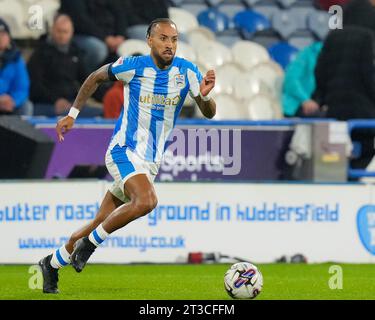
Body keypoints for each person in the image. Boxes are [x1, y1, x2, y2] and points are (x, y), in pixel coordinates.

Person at [38, 18, 216, 294]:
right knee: (147, 200)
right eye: (163, 38)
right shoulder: (133, 66)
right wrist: (72, 114)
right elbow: (94, 77)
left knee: (100, 220)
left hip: (150, 161)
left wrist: (204, 97)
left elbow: (209, 112)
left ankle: (51, 263)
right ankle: (90, 245)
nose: (170, 45)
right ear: (149, 40)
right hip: (124, 149)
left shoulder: (187, 71)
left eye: (174, 39)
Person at [28, 14, 102, 117]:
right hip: (46, 104)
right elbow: (35, 85)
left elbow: (87, 79)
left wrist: (105, 96)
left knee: (101, 113)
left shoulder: (75, 52)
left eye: (65, 32)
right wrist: (55, 101)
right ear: (52, 30)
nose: (62, 35)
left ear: (71, 33)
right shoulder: (40, 53)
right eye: (59, 31)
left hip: (71, 103)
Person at [59, 0, 128, 72]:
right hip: (80, 34)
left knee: (129, 48)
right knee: (98, 49)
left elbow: (119, 12)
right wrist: (106, 38)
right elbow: (81, 21)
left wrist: (120, 35)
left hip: (110, 34)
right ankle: (86, 78)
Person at [282, 42, 323, 117]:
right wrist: (305, 100)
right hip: (297, 103)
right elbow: (290, 80)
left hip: (318, 104)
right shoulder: (307, 54)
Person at [0, 18, 31, 116]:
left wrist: (13, 100)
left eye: (3, 34)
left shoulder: (16, 59)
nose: (1, 37)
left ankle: (24, 132)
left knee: (26, 106)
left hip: (8, 103)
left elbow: (22, 87)